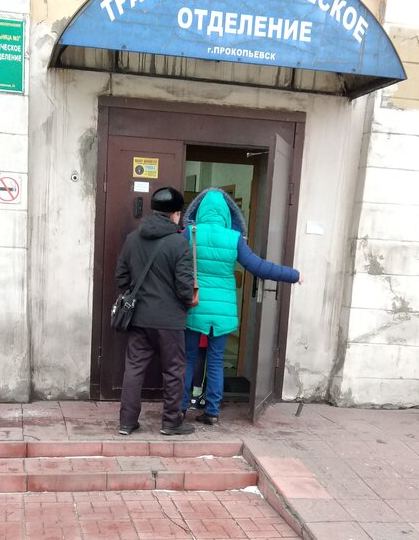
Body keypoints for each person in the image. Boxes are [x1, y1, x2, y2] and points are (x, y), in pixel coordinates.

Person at [181, 187, 301, 425]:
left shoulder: (190, 233)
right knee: (216, 361)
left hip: (195, 307)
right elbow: (258, 266)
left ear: (200, 210)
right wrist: (293, 275)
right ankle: (212, 412)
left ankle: (181, 408)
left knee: (188, 359)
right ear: (227, 214)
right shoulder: (233, 238)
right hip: (223, 312)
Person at [115, 186, 196, 436]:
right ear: (175, 215)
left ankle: (127, 422)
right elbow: (185, 288)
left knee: (134, 368)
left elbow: (121, 277)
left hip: (139, 317)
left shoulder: (133, 238)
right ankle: (171, 422)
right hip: (170, 321)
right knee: (173, 371)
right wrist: (183, 305)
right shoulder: (179, 244)